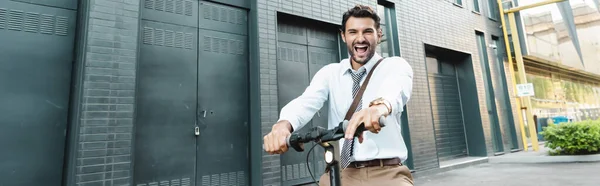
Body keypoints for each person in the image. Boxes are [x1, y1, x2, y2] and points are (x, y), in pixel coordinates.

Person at [263, 4, 414, 186]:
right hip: (339, 172)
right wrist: (283, 125)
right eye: (352, 32)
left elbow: (396, 89)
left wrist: (379, 108)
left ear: (379, 35)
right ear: (343, 36)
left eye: (367, 31)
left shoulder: (394, 66)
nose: (360, 39)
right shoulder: (330, 73)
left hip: (385, 174)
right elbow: (306, 101)